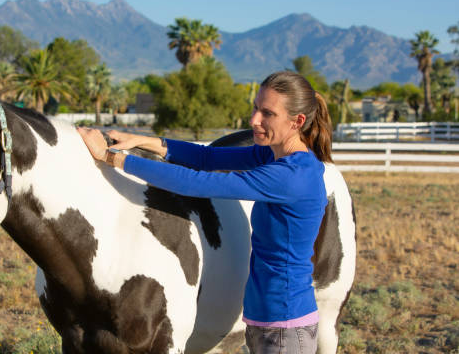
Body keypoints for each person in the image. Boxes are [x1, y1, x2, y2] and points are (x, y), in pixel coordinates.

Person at [78, 70, 332, 354]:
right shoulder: (271, 154)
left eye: (267, 114)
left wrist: (112, 158)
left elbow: (199, 183)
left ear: (297, 121)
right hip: (267, 318)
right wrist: (139, 140)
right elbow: (206, 158)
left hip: (285, 325)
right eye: (255, 108)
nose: (254, 121)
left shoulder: (293, 175)